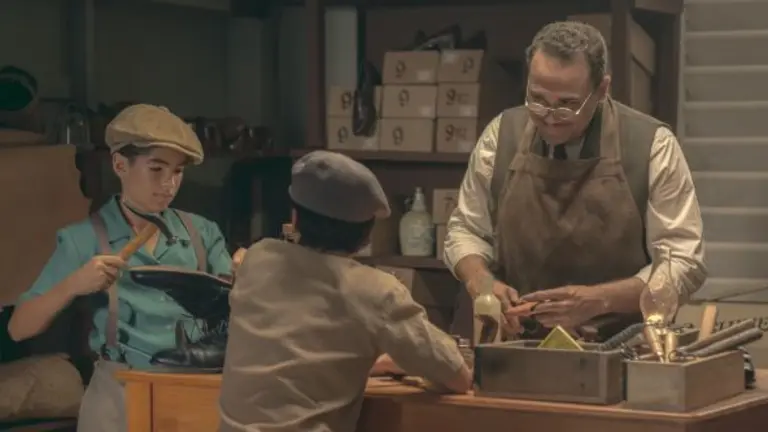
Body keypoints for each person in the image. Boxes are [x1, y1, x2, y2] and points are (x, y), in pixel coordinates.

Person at [444, 21, 707, 339]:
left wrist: (600, 300)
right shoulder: (501, 136)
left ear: (602, 90)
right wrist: (484, 284)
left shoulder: (651, 146)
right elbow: (466, 230)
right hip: (514, 343)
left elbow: (682, 261)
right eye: (537, 98)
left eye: (567, 104)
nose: (549, 116)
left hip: (619, 346)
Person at [7, 103, 246, 432]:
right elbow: (19, 328)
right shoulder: (82, 239)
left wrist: (247, 275)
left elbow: (236, 308)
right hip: (117, 398)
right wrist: (73, 284)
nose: (169, 184)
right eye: (156, 169)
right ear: (120, 164)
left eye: (177, 172)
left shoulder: (202, 233)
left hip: (192, 393)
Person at [219, 150, 473, 432]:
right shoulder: (375, 290)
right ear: (366, 235)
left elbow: (300, 355)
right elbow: (456, 375)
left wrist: (383, 363)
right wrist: (405, 361)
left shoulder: (257, 259)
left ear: (295, 216)